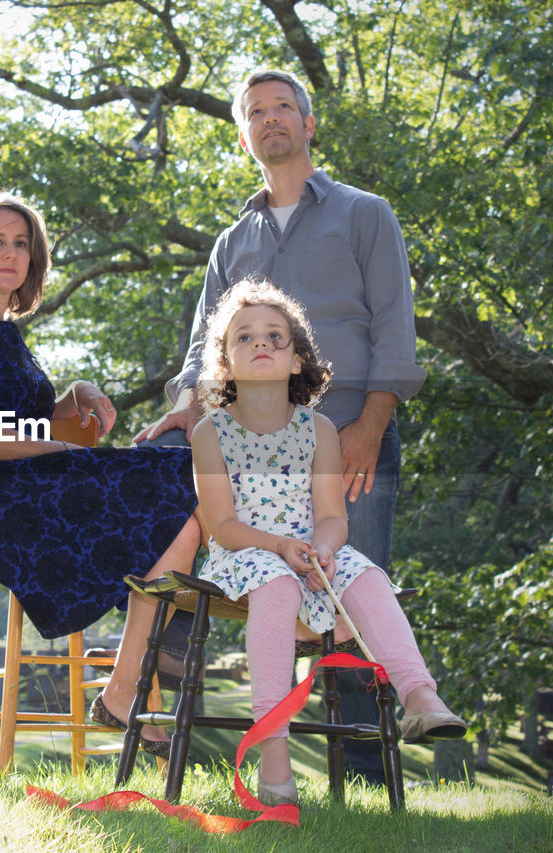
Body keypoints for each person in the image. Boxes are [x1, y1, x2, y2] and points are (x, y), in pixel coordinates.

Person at [136, 68, 427, 783]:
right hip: (246, 449)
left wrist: (367, 425)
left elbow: (395, 328)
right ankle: (161, 648)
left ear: (307, 122)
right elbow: (204, 349)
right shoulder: (232, 241)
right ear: (244, 136)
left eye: (283, 108)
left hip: (349, 433)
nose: (271, 119)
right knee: (166, 452)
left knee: (345, 593)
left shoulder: (365, 213)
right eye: (256, 112)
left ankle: (361, 778)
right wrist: (182, 405)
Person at [0, 190, 201, 757]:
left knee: (189, 484)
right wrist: (61, 446)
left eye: (21, 244)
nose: (11, 254)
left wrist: (74, 396)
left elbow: (36, 426)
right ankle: (157, 650)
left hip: (30, 482)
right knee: (180, 472)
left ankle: (137, 673)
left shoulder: (5, 332)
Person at [190, 278, 464, 806]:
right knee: (275, 584)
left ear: (297, 360)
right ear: (224, 361)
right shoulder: (211, 433)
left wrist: (324, 548)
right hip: (244, 555)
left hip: (310, 552)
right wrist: (279, 548)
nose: (261, 343)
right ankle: (274, 757)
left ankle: (419, 695)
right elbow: (221, 525)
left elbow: (334, 517)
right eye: (244, 338)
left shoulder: (318, 431)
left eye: (275, 335)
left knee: (367, 573)